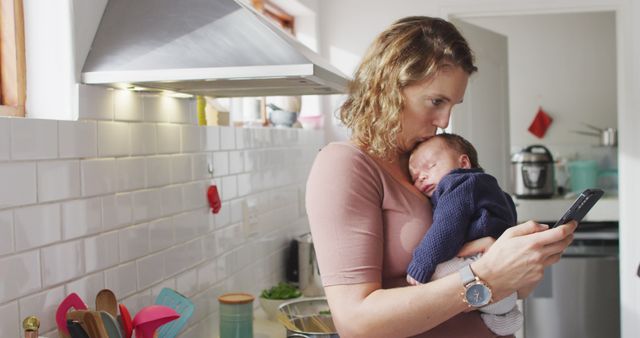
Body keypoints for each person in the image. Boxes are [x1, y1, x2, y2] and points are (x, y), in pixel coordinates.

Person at [306, 16, 576, 338]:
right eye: (436, 101)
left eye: (453, 104)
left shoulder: (429, 162)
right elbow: (355, 322)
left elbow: (495, 282)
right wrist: (484, 276)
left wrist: (522, 266)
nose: (445, 120)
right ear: (389, 87)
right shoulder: (346, 165)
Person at [405, 133, 522, 336]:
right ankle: (505, 315)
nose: (422, 176)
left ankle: (495, 310)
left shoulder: (458, 183)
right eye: (415, 177)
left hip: (480, 265)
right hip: (504, 279)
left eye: (430, 166)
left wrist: (421, 263)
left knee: (431, 275)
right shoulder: (494, 190)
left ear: (464, 162)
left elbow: (447, 227)